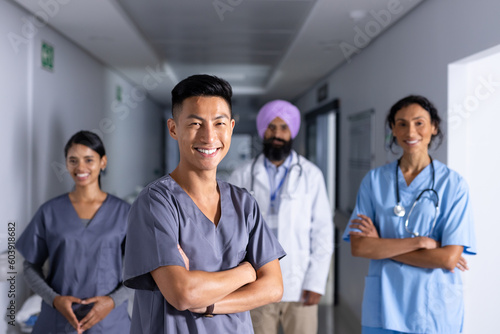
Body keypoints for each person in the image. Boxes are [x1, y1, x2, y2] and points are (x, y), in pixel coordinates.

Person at [123, 74, 286, 334]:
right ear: (174, 128)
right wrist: (245, 272)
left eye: (219, 123)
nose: (209, 136)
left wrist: (209, 304)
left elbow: (274, 287)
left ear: (231, 127)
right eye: (196, 123)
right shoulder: (155, 203)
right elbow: (183, 294)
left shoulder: (243, 203)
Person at [343, 95, 476, 334]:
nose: (410, 131)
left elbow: (447, 258)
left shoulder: (454, 185)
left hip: (434, 310)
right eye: (401, 123)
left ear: (434, 127)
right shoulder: (374, 181)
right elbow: (360, 247)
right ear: (393, 129)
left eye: (419, 122)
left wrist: (382, 247)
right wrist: (420, 243)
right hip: (383, 305)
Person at [229, 100, 334, 334]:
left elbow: (323, 233)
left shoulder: (311, 175)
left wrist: (316, 282)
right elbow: (230, 230)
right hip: (256, 281)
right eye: (271, 127)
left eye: (283, 128)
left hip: (300, 282)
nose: (277, 134)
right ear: (262, 131)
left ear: (292, 132)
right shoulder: (242, 174)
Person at [16, 131, 132, 334]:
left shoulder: (124, 212)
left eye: (89, 160)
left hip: (109, 323)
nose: (80, 168)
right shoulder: (50, 211)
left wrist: (112, 301)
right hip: (58, 321)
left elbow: (143, 269)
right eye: (73, 160)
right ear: (67, 164)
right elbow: (29, 266)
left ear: (103, 162)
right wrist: (54, 300)